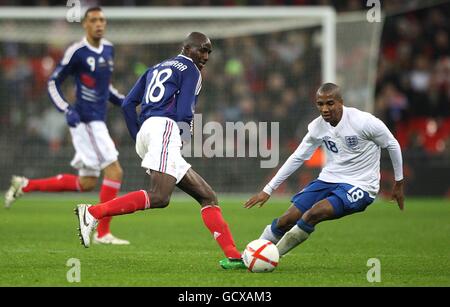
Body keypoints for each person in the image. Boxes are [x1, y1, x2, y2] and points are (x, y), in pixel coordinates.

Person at [74, 32, 245, 269]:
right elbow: (185, 111)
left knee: (207, 196)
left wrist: (140, 136)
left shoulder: (154, 68)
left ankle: (234, 256)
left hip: (149, 130)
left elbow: (127, 104)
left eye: (208, 52)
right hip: (166, 129)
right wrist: (181, 136)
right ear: (186, 48)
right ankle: (92, 212)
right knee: (160, 196)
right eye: (201, 50)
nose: (205, 56)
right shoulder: (191, 70)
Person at [4, 7, 129, 245]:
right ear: (84, 24)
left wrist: (123, 100)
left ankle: (25, 185)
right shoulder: (77, 51)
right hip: (86, 120)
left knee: (87, 183)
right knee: (115, 171)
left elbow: (105, 88)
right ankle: (102, 233)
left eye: (102, 19)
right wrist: (67, 108)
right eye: (93, 20)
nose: (99, 24)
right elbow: (53, 83)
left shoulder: (109, 49)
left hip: (97, 119)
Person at [244, 83, 405, 257]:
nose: (325, 109)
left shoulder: (364, 122)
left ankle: (269, 257)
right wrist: (268, 189)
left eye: (330, 103)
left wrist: (399, 182)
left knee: (314, 213)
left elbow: (392, 144)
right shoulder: (317, 127)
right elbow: (297, 157)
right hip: (328, 179)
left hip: (361, 185)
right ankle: (248, 256)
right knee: (286, 220)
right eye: (320, 104)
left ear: (340, 102)